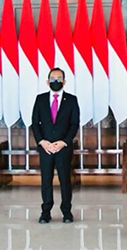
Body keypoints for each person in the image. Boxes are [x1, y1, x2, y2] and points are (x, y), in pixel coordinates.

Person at [32, 68, 80, 224]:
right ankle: (45, 211)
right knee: (46, 179)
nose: (56, 81)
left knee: (65, 180)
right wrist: (42, 142)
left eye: (59, 78)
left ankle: (66, 211)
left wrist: (63, 142)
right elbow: (35, 123)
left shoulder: (71, 100)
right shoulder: (40, 99)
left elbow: (74, 124)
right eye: (53, 78)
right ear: (47, 82)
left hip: (63, 147)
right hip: (45, 147)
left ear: (64, 82)